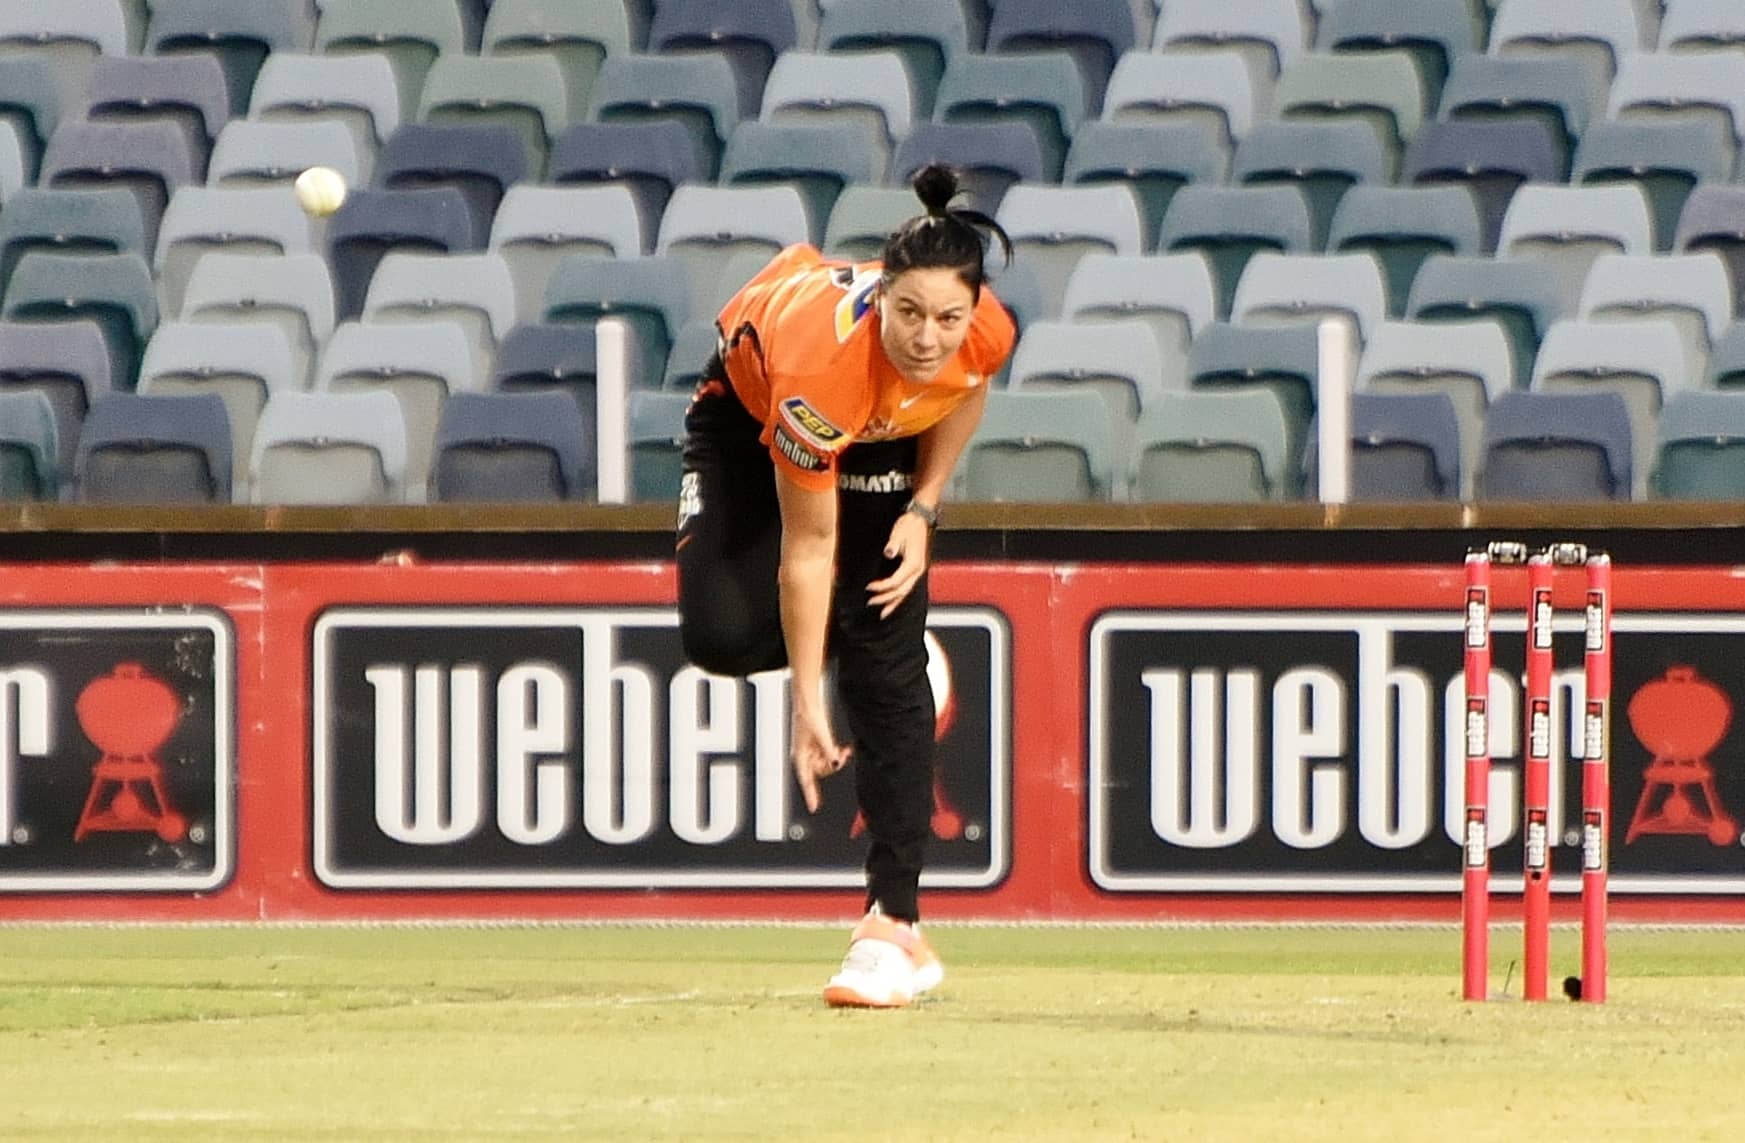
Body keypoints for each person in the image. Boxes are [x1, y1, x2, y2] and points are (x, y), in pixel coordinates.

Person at [675, 163, 1015, 1008]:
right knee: (717, 634)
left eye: (947, 317)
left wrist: (924, 510)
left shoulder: (982, 333)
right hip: (756, 414)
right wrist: (803, 701)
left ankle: (892, 926)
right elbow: (808, 546)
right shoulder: (822, 373)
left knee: (882, 649)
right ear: (880, 297)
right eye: (908, 313)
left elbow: (963, 391)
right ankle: (867, 648)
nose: (928, 337)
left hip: (884, 437)